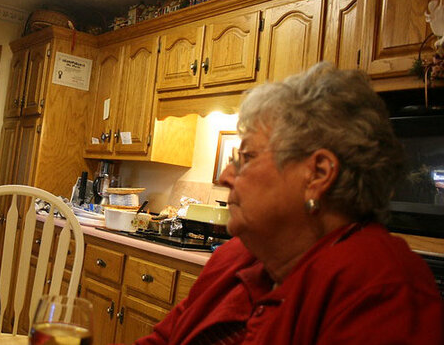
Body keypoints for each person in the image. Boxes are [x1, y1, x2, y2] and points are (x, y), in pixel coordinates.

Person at [132, 62, 443, 344]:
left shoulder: (381, 288)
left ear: (317, 174)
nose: (226, 176)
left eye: (247, 158)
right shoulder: (236, 257)